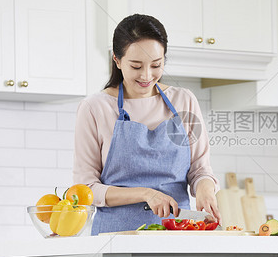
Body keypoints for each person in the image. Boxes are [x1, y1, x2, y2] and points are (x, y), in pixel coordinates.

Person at [73, 14, 221, 235]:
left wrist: (205, 190)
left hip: (178, 237)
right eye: (136, 66)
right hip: (115, 238)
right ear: (117, 60)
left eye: (156, 65)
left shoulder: (184, 101)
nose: (146, 75)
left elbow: (200, 170)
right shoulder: (95, 108)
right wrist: (145, 194)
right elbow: (85, 190)